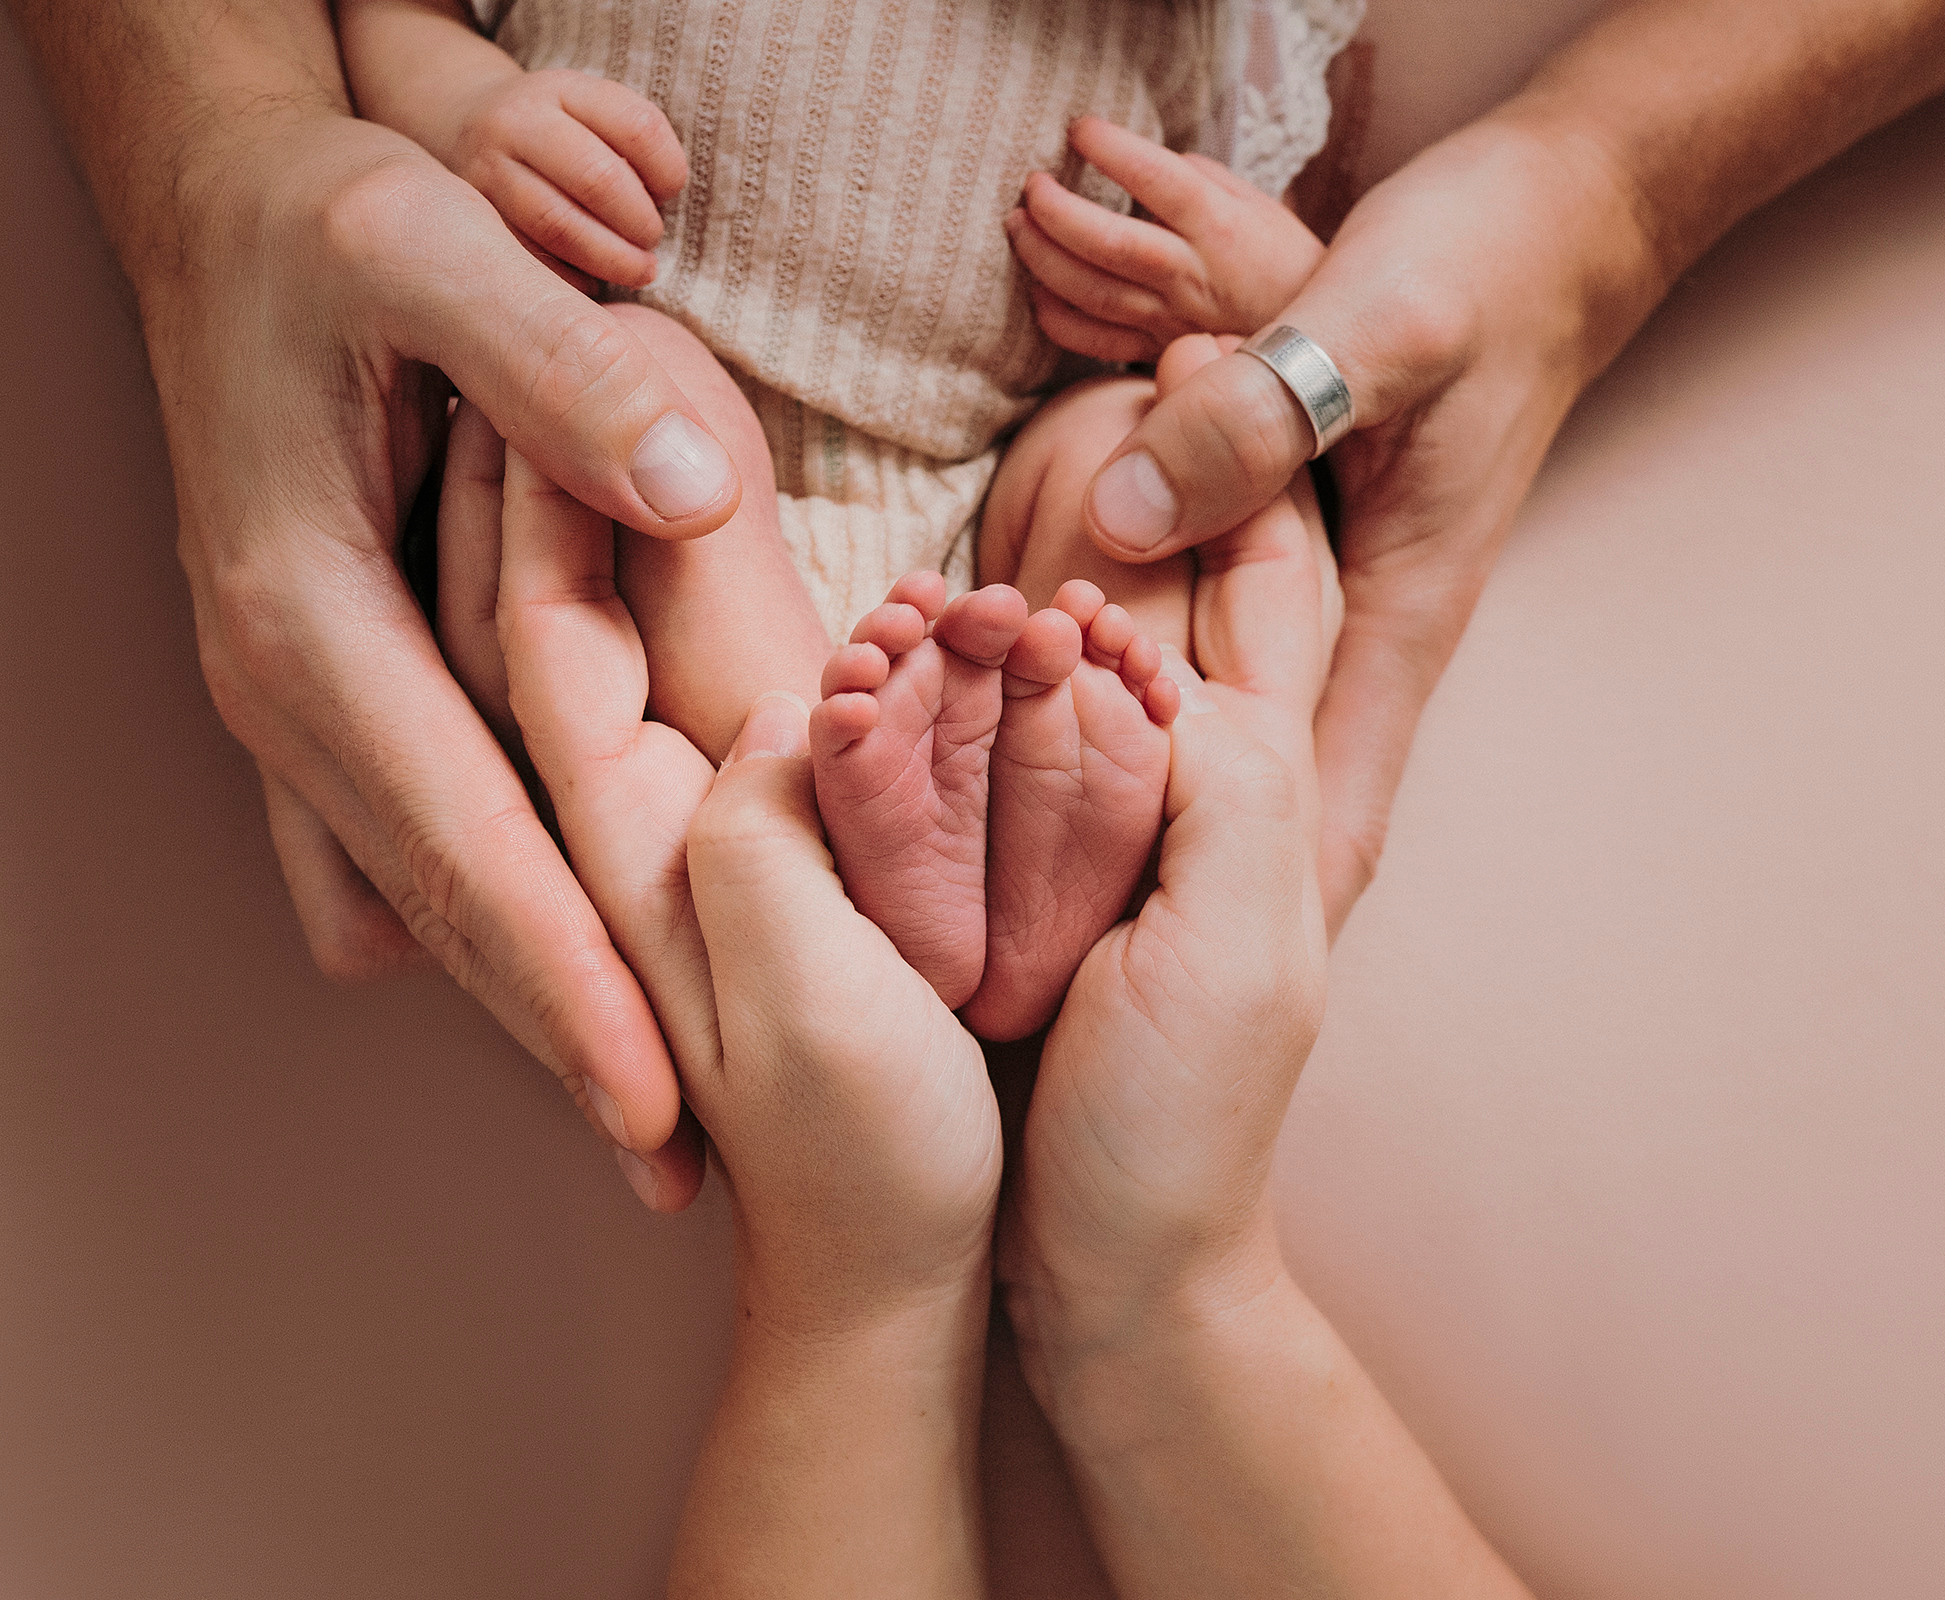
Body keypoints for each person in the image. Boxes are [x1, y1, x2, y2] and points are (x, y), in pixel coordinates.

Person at [6, 0, 1945, 1208]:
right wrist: (469, 108)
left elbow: (1284, 198)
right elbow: (398, 19)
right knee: (666, 477)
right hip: (667, 367)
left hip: (1010, 432)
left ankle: (1005, 835)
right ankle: (863, 820)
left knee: (1152, 477)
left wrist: (1242, 280)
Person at [467, 334, 1530, 1587]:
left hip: (781, 498)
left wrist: (862, 1283)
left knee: (672, 472)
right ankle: (1023, 882)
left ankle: (869, 854)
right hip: (1028, 415)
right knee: (1124, 475)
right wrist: (1163, 1278)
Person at [334, 0, 1350, 1039]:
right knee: (631, 393)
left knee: (1137, 436)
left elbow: (1292, 237)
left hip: (1000, 480)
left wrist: (1279, 288)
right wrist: (462, 107)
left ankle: (1043, 840)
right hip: (679, 451)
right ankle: (836, 812)